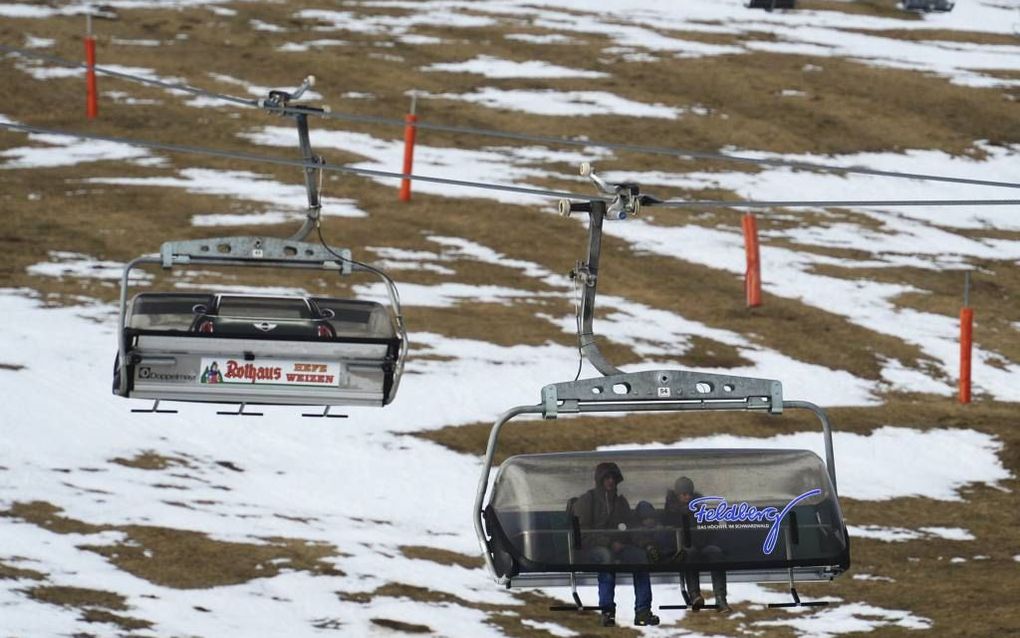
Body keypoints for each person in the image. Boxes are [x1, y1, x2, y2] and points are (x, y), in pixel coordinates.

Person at [572, 462, 660, 627]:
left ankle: (643, 611)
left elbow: (632, 528)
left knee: (640, 558)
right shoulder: (587, 500)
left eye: (613, 477)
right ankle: (607, 611)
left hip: (619, 545)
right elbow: (582, 534)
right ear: (600, 480)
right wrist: (609, 543)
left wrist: (646, 544)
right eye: (606, 478)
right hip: (592, 548)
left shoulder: (620, 502)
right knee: (607, 559)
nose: (610, 481)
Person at [664, 476, 731, 613]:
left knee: (715, 552)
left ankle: (720, 597)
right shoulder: (670, 511)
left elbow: (710, 526)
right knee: (689, 553)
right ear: (677, 495)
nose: (687, 497)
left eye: (689, 494)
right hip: (682, 547)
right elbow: (668, 531)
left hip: (702, 544)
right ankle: (694, 594)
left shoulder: (700, 508)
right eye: (684, 494)